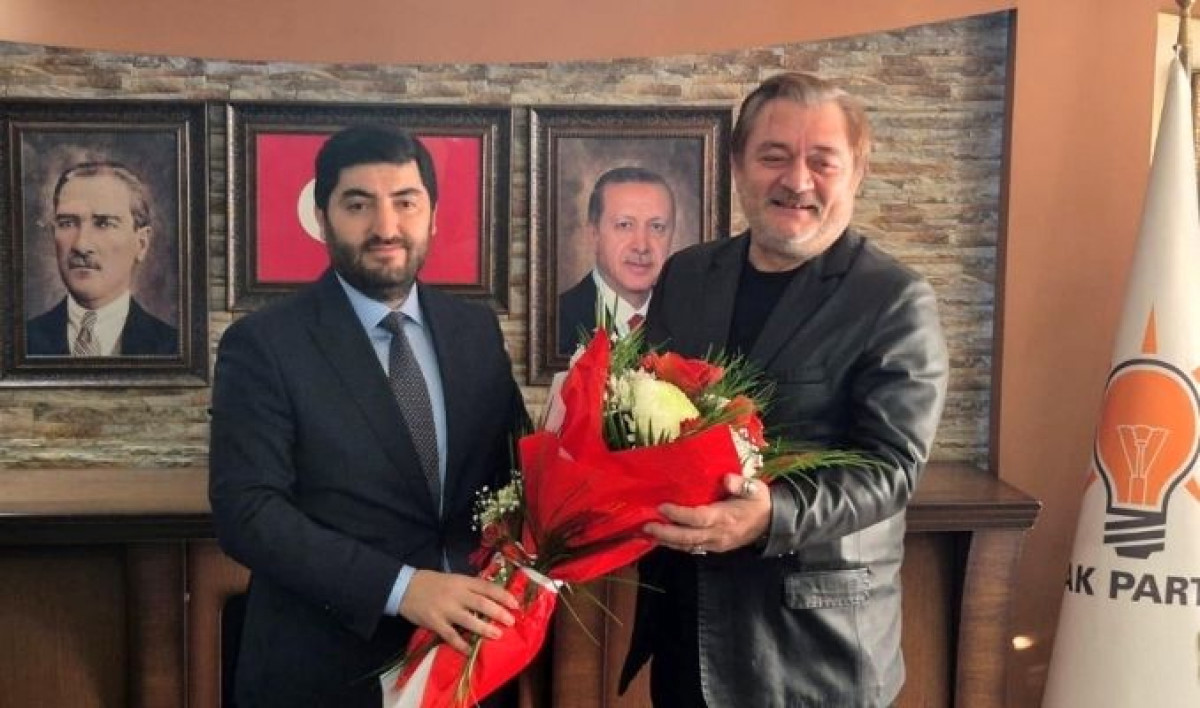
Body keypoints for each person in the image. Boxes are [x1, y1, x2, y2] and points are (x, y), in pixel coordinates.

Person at [618, 72, 950, 707]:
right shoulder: (687, 274)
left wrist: (773, 512)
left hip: (813, 653)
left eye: (822, 161)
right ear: (738, 165)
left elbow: (890, 468)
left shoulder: (893, 300)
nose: (797, 181)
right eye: (774, 156)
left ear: (856, 174)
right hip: (686, 631)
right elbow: (647, 413)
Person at [209, 126, 528, 707]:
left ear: (433, 215)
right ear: (323, 217)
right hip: (326, 671)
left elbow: (516, 475)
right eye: (358, 205)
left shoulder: (476, 332)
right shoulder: (264, 344)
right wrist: (403, 588)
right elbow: (248, 513)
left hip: (471, 664)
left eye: (406, 202)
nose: (386, 227)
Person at [25, 161, 178, 357]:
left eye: (104, 224)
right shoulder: (19, 343)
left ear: (141, 243)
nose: (81, 245)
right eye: (67, 223)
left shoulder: (174, 348)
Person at [557, 166, 675, 354]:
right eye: (624, 225)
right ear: (594, 234)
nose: (641, 246)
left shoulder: (691, 322)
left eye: (657, 227)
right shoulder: (557, 323)